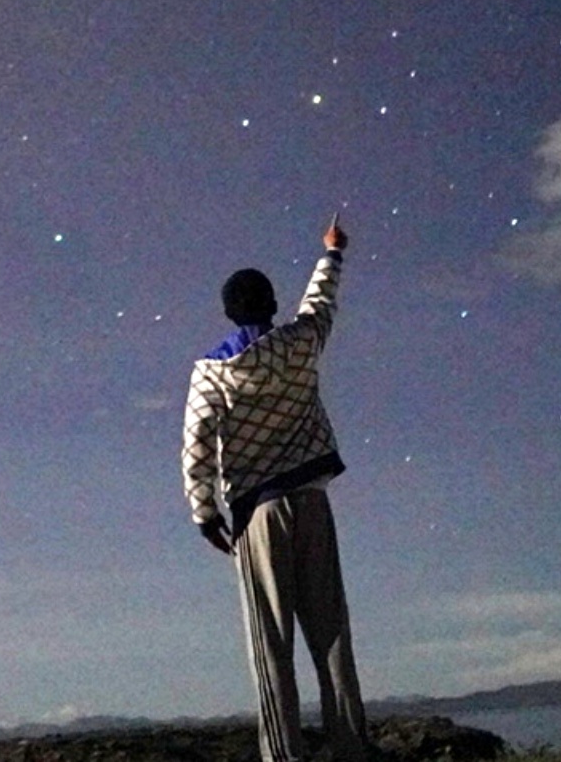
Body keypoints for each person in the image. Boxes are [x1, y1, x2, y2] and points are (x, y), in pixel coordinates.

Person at [182, 214, 370, 762]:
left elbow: (196, 444)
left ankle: (285, 755)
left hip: (257, 514)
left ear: (228, 311)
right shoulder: (300, 343)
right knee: (330, 630)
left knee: (271, 643)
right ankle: (351, 747)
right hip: (312, 500)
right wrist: (331, 253)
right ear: (270, 304)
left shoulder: (212, 371)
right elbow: (321, 303)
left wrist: (205, 513)